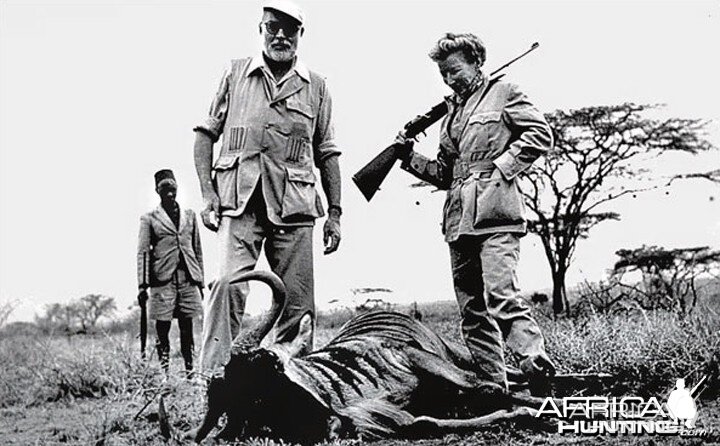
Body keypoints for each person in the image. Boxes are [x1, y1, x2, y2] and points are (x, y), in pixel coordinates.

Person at [396, 33, 555, 392]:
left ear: (476, 62)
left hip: (497, 213)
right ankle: (492, 384)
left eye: (455, 71)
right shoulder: (450, 114)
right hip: (457, 218)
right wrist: (406, 158)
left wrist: (501, 168)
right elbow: (444, 172)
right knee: (471, 308)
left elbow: (540, 134)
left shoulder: (506, 92)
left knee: (501, 295)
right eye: (443, 75)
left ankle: (536, 367)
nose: (450, 80)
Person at [193, 0, 341, 378]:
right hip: (238, 203)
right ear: (260, 28)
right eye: (272, 26)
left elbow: (327, 153)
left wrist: (336, 214)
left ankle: (295, 385)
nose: (280, 35)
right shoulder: (235, 73)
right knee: (226, 286)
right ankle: (213, 383)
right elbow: (205, 135)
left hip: (294, 207)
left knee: (298, 305)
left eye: (289, 29)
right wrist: (209, 195)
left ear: (301, 35)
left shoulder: (317, 86)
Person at [137, 169, 204, 375]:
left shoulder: (190, 216)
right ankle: (165, 374)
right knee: (163, 329)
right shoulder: (149, 218)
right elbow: (143, 253)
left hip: (188, 278)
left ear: (177, 189)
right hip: (162, 280)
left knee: (187, 327)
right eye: (164, 188)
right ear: (157, 191)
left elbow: (197, 250)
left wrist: (201, 281)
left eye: (172, 188)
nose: (169, 192)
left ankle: (190, 372)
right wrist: (142, 285)